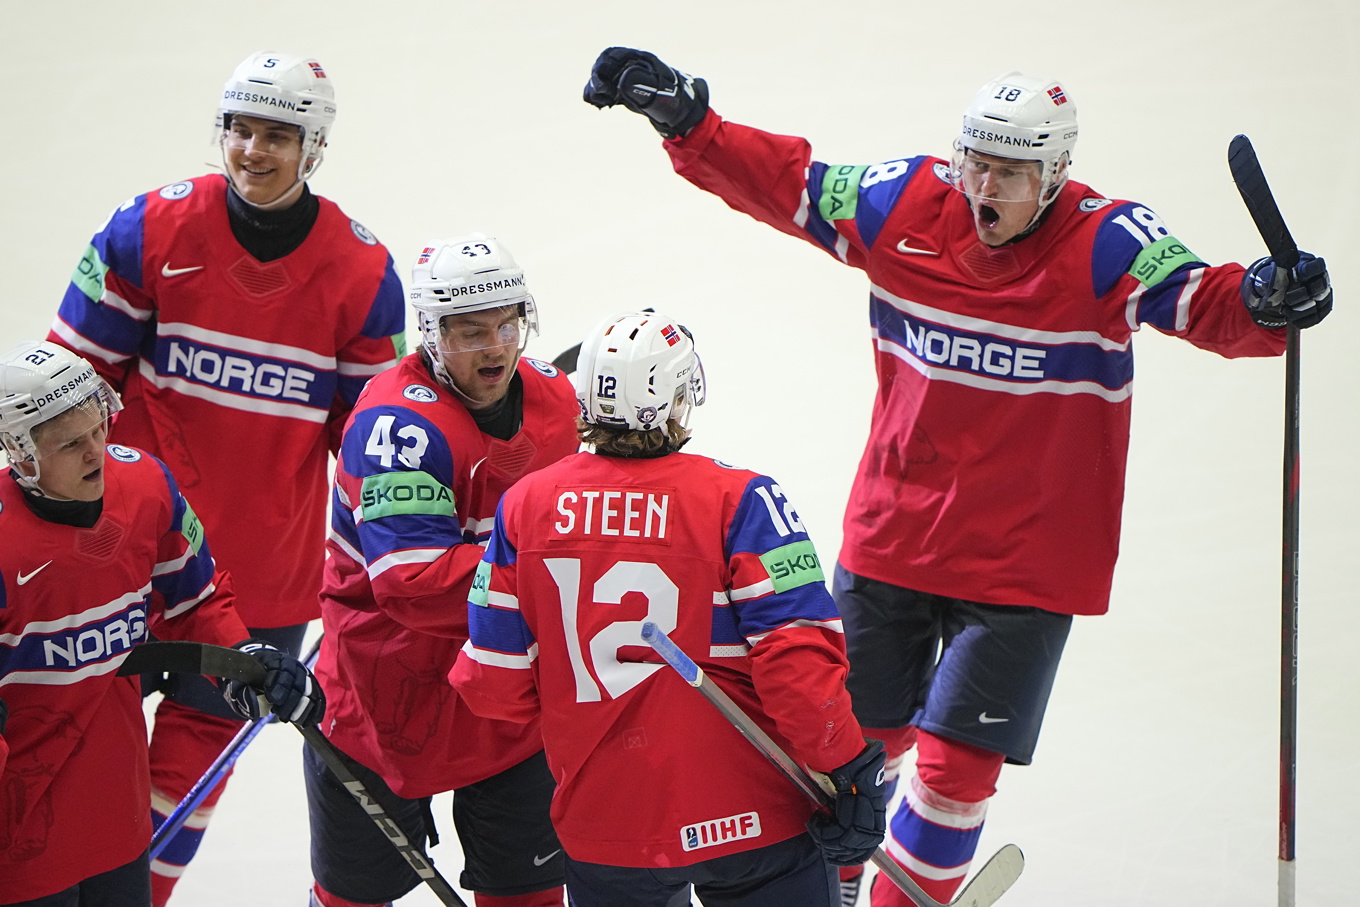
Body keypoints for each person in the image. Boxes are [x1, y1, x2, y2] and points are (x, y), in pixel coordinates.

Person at [582, 51, 1333, 907]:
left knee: (953, 769)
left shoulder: (1107, 242)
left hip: (1027, 564)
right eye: (977, 162)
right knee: (851, 749)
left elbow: (1208, 302)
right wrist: (692, 126)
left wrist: (1270, 298)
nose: (987, 188)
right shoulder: (903, 200)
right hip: (895, 536)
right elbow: (792, 185)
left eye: (1012, 173)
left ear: (1055, 175)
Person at [44, 51, 406, 903]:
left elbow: (368, 455)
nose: (252, 149)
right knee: (63, 769)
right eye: (239, 129)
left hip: (258, 590)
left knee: (187, 778)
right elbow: (65, 393)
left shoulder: (361, 275)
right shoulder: (149, 229)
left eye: (278, 134)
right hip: (118, 562)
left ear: (313, 147)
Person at [451, 309, 888, 907]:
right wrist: (845, 766)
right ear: (679, 397)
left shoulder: (525, 506)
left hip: (607, 825)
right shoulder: (745, 501)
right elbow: (798, 667)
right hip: (751, 815)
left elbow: (493, 684)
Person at [0, 340, 324, 907]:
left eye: (99, 428)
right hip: (18, 833)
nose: (96, 452)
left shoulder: (146, 487)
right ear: (21, 453)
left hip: (117, 815)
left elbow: (196, 603)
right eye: (71, 444)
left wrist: (242, 664)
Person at [306, 234, 577, 907]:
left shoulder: (554, 400)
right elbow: (414, 584)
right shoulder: (397, 427)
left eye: (508, 324)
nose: (496, 347)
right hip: (383, 703)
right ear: (430, 335)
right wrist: (550, 568)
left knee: (531, 894)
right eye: (470, 332)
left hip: (509, 700)